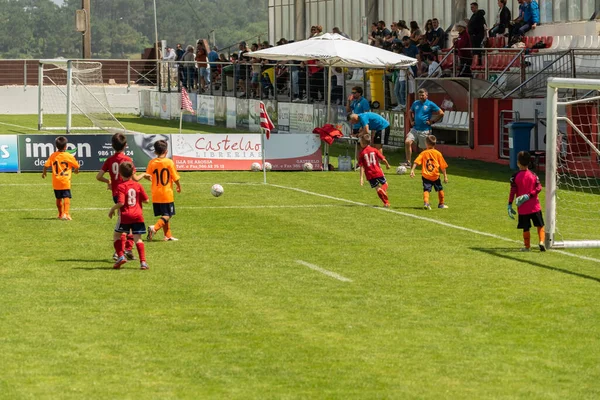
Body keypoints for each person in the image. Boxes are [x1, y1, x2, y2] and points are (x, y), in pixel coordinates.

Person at [96, 133, 144, 261]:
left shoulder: (110, 160)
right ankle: (122, 251)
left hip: (116, 194)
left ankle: (126, 249)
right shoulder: (127, 159)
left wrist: (109, 181)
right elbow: (134, 178)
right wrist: (144, 175)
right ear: (125, 145)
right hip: (127, 192)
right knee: (126, 223)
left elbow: (98, 176)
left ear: (112, 146)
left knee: (124, 221)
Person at [109, 162, 150, 270]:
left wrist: (112, 209)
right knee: (138, 239)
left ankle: (121, 256)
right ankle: (143, 263)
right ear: (133, 173)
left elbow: (121, 203)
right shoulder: (138, 185)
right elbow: (147, 200)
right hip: (138, 216)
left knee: (117, 235)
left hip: (125, 216)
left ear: (120, 174)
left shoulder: (121, 186)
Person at [144, 139, 181, 242]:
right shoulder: (169, 162)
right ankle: (154, 228)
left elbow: (147, 176)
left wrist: (150, 178)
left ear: (155, 151)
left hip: (156, 193)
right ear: (166, 151)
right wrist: (178, 186)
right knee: (168, 214)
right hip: (166, 193)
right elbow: (175, 177)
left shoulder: (152, 162)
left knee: (164, 214)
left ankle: (168, 235)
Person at [508, 151, 545, 252]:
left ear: (518, 163)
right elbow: (539, 187)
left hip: (523, 209)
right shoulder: (533, 175)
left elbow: (513, 191)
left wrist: (509, 204)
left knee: (526, 227)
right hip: (535, 206)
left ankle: (527, 247)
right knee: (540, 224)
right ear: (529, 163)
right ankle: (541, 241)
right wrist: (530, 195)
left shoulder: (515, 176)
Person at [41, 136, 80, 220]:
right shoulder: (68, 156)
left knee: (58, 198)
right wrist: (76, 170)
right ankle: (66, 214)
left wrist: (44, 173)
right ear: (66, 146)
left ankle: (60, 214)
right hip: (65, 180)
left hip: (56, 181)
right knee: (66, 197)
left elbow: (46, 165)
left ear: (56, 146)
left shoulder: (53, 155)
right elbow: (76, 165)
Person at [405, 88, 444, 166]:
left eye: (422, 95)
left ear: (427, 95)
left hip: (425, 130)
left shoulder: (430, 104)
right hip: (415, 128)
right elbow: (410, 111)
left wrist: (432, 121)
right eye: (419, 95)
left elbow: (441, 113)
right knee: (407, 142)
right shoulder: (415, 103)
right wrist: (411, 121)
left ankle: (429, 163)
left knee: (424, 149)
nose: (421, 97)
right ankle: (408, 162)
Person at [409, 135, 449, 210]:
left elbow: (416, 162)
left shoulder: (424, 153)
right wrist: (445, 176)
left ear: (426, 144)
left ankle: (426, 203)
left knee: (426, 190)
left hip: (426, 176)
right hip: (435, 176)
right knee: (440, 189)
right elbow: (443, 166)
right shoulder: (438, 153)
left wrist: (412, 170)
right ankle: (441, 204)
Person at [357, 134, 391, 208]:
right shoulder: (374, 150)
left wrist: (361, 178)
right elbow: (383, 159)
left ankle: (386, 203)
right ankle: (383, 192)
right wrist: (387, 165)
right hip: (378, 171)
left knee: (377, 188)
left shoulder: (362, 153)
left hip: (369, 174)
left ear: (363, 143)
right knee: (385, 184)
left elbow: (361, 167)